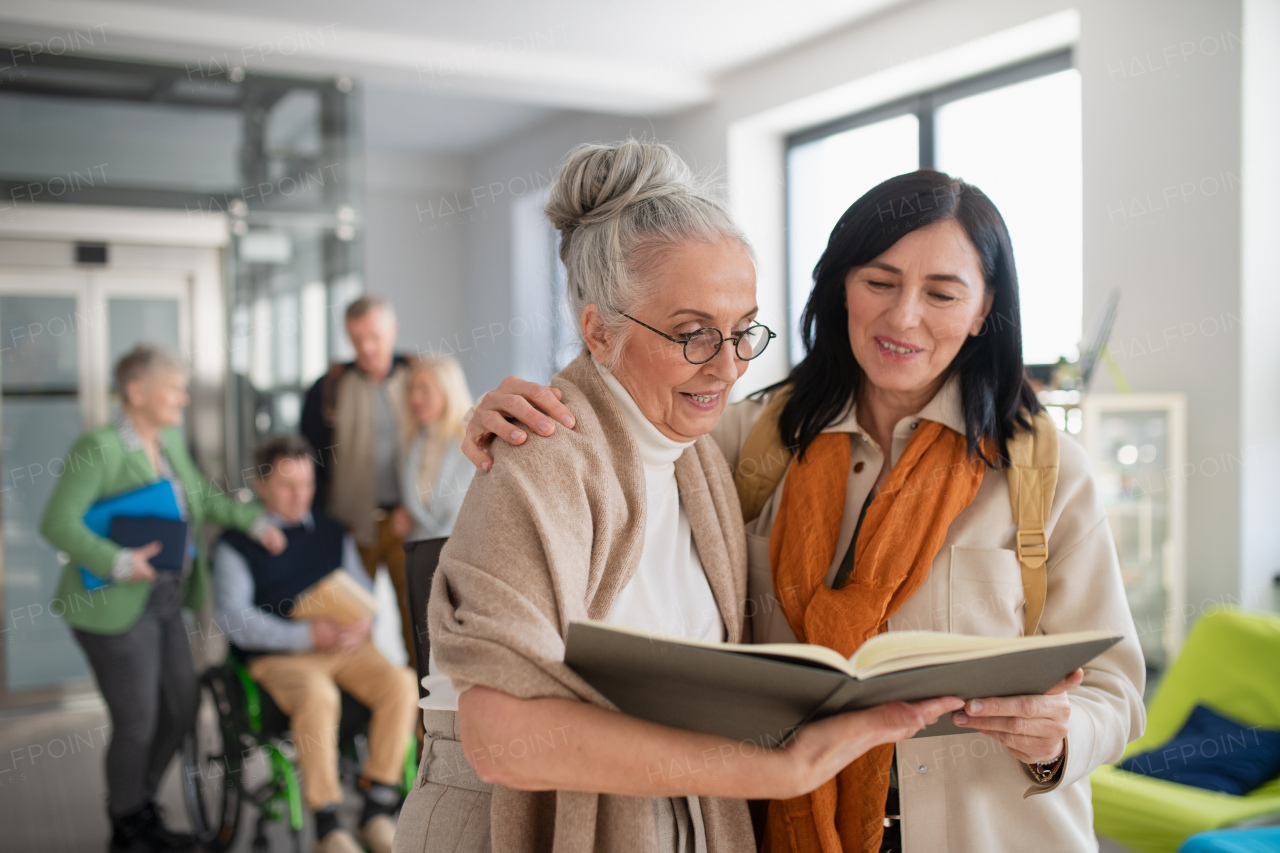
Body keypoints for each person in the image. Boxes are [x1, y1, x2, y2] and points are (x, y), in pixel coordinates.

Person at [462, 169, 1147, 852]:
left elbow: (1116, 686)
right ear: (840, 287)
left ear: (982, 310)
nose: (903, 316)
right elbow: (630, 420)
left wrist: (1059, 734)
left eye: (941, 292)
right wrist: (519, 415)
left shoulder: (1043, 469)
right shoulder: (748, 439)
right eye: (879, 282)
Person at [392, 140, 962, 853]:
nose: (727, 367)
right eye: (693, 334)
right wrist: (771, 769)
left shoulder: (703, 462)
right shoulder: (541, 456)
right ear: (598, 330)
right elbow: (503, 738)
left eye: (743, 329)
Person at [40, 345, 287, 853]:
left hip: (165, 600)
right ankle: (128, 826)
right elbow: (57, 523)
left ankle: (138, 805)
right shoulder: (100, 447)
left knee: (181, 707)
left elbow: (200, 496)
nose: (184, 397)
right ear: (136, 391)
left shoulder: (169, 438)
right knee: (138, 721)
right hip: (113, 604)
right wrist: (118, 560)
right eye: (174, 387)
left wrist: (253, 521)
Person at [213, 434, 419, 853]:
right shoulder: (235, 545)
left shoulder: (329, 531)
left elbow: (363, 590)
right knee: (317, 694)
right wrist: (306, 634)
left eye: (306, 484)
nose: (299, 495)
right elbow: (236, 621)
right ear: (262, 485)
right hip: (279, 657)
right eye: (288, 486)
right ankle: (328, 825)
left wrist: (365, 621)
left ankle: (377, 806)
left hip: (343, 647)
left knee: (403, 683)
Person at [301, 295, 419, 666]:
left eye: (374, 337)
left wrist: (418, 508)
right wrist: (327, 525)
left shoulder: (418, 379)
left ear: (393, 331)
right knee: (350, 627)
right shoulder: (327, 389)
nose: (366, 348)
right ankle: (364, 716)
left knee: (420, 631)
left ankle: (422, 723)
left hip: (409, 527)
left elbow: (444, 447)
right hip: (350, 529)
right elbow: (309, 464)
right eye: (356, 340)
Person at [400, 357, 474, 541]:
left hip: (463, 553)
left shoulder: (473, 443)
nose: (414, 398)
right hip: (421, 553)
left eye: (424, 389)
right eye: (411, 389)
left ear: (448, 392)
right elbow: (418, 509)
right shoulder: (412, 442)